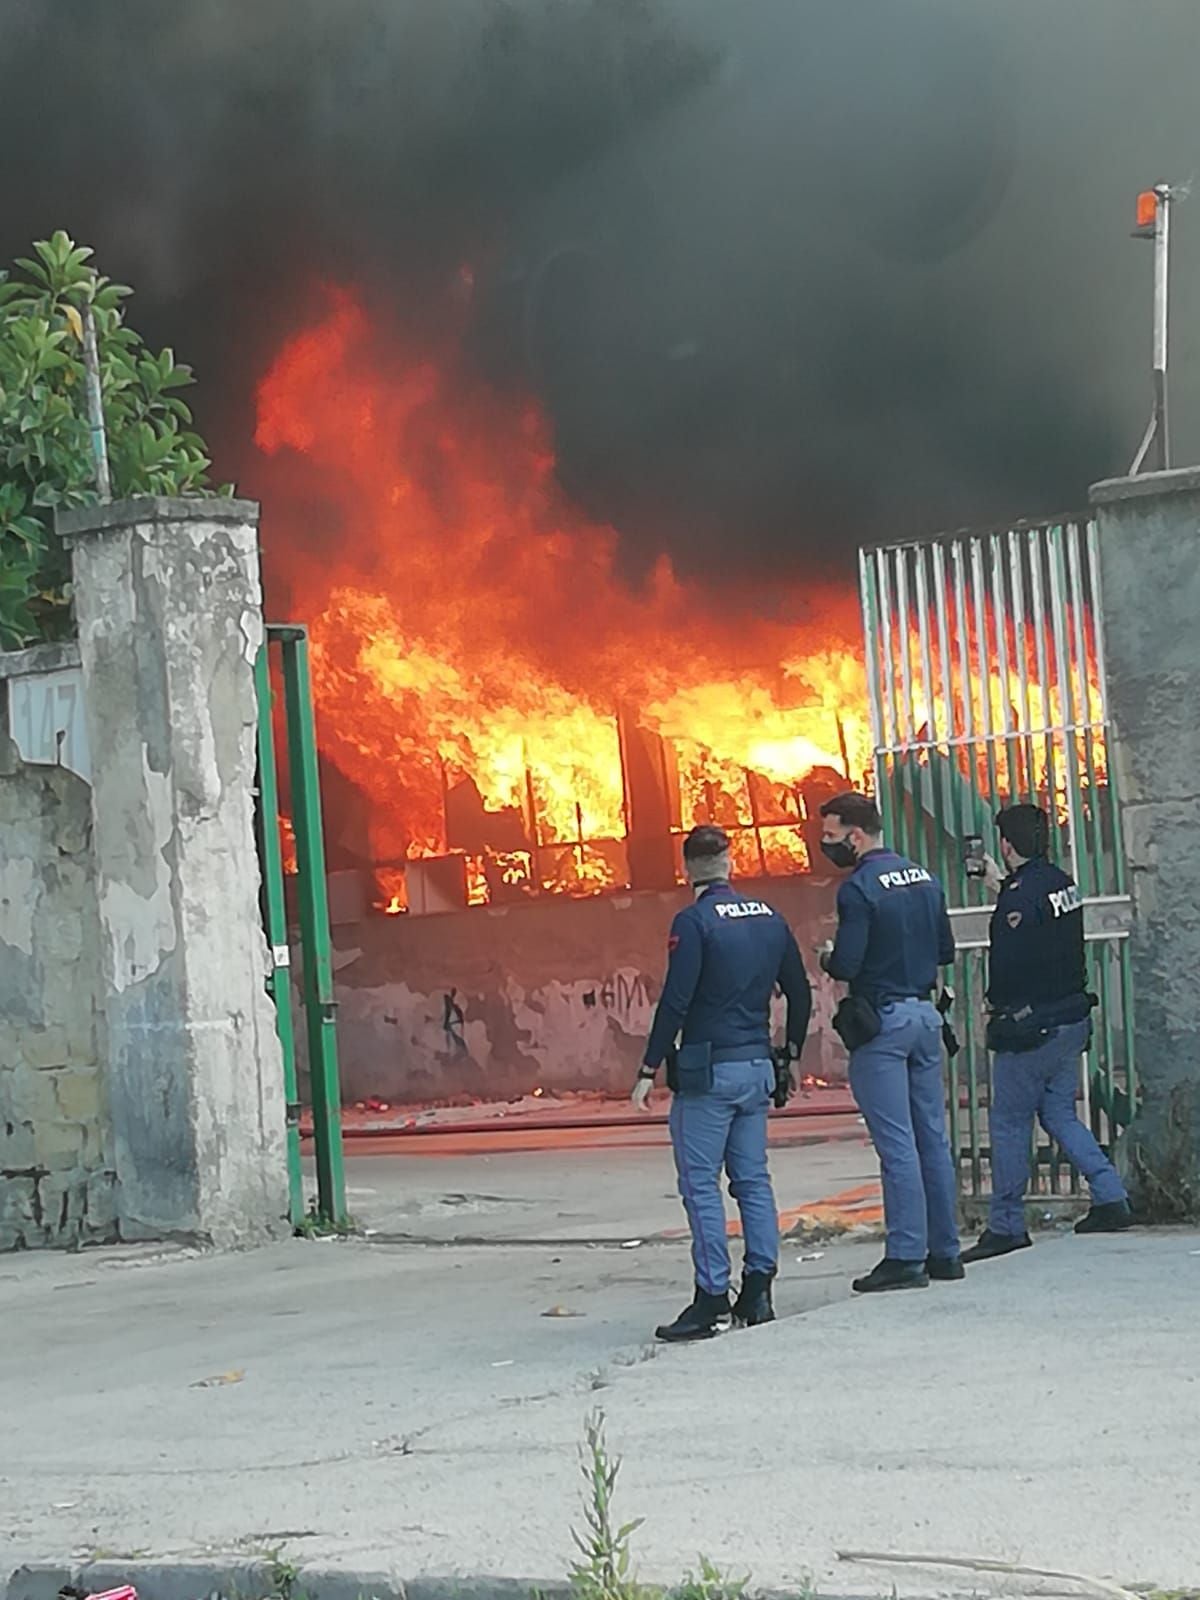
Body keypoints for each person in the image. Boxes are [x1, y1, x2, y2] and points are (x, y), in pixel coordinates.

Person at [633, 824, 812, 1342]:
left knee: (701, 1186)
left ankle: (711, 1296)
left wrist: (648, 1068)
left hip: (708, 1074)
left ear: (687, 867)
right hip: (757, 1066)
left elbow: (676, 1000)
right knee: (753, 1181)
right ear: (731, 861)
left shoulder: (693, 923)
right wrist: (792, 1054)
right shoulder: (770, 919)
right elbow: (799, 995)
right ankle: (759, 1289)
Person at [962, 805, 1132, 1263]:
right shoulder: (1062, 883)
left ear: (1005, 843)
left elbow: (1010, 960)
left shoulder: (1019, 898)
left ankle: (1006, 1225)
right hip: (1071, 1020)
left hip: (1031, 1027)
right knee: (1058, 1113)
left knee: (1009, 1122)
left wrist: (992, 1007)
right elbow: (1037, 920)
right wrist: (1001, 884)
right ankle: (1110, 1196)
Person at [818, 792, 963, 1293]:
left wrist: (828, 957)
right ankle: (945, 1251)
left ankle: (905, 1256)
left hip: (882, 1021)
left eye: (831, 836)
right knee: (932, 1138)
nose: (827, 845)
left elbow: (849, 965)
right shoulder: (924, 877)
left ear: (856, 837)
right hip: (925, 1016)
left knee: (896, 1143)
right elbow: (946, 949)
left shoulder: (858, 888)